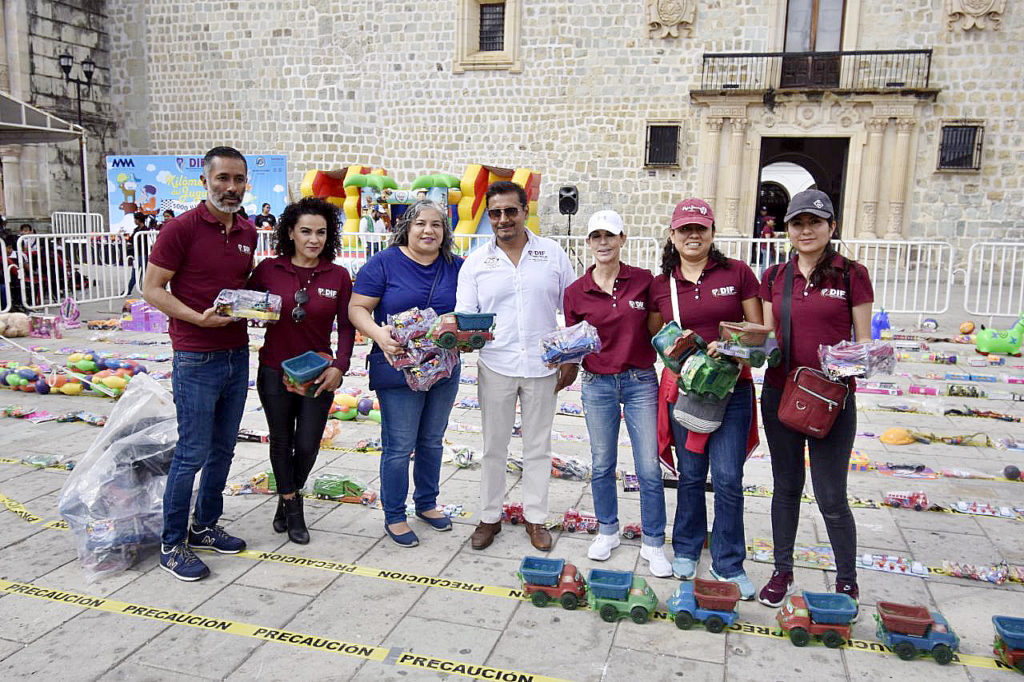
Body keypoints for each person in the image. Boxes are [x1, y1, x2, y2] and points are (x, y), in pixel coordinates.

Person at [143, 146, 258, 582]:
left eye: (238, 180)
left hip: (236, 352)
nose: (230, 188)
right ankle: (172, 545)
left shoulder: (247, 230)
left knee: (223, 449)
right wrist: (197, 318)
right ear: (205, 180)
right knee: (191, 453)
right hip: (194, 354)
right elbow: (152, 288)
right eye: (222, 179)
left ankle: (205, 525)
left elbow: (239, 286)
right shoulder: (181, 228)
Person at [756, 189, 873, 610]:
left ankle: (846, 580)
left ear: (831, 227)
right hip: (781, 396)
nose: (806, 231)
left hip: (831, 402)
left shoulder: (850, 275)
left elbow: (863, 344)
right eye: (797, 223)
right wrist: (740, 346)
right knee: (786, 488)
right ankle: (781, 571)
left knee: (830, 495)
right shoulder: (774, 277)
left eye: (815, 223)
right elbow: (768, 338)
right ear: (787, 230)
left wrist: (847, 363)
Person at [647, 198, 762, 598]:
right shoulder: (661, 285)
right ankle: (686, 547)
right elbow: (655, 336)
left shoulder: (738, 273)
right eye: (685, 229)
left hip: (733, 390)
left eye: (700, 228)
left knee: (729, 478)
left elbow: (757, 331)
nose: (693, 236)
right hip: (686, 392)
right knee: (691, 475)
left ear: (712, 233)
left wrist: (726, 345)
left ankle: (729, 561)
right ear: (673, 235)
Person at [456, 181, 576, 552]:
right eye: (495, 213)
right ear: (489, 217)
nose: (503, 219)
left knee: (538, 447)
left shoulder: (553, 254)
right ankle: (489, 517)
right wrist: (461, 336)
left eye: (511, 211)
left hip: (543, 367)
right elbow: (466, 316)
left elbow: (571, 310)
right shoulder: (476, 262)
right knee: (494, 446)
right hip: (497, 366)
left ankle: (536, 519)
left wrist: (571, 358)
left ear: (525, 211)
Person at [563, 210, 672, 577]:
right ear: (589, 243)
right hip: (597, 383)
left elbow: (660, 325)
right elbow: (574, 342)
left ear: (623, 239)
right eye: (596, 236)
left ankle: (654, 541)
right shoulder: (575, 292)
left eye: (610, 235)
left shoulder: (644, 281)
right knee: (603, 462)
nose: (603, 242)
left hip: (640, 380)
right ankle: (607, 530)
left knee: (647, 467)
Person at [349, 200, 463, 547]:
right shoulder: (384, 263)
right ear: (406, 228)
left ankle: (426, 503)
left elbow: (471, 311)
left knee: (431, 440)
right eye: (420, 224)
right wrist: (380, 335)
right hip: (399, 369)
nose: (428, 231)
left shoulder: (457, 266)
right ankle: (395, 514)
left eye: (437, 225)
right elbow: (357, 308)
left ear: (445, 233)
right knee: (399, 446)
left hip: (444, 368)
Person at [248, 197, 354, 544]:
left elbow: (348, 326)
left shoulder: (337, 275)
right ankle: (293, 507)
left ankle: (285, 497)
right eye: (306, 231)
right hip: (274, 370)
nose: (314, 239)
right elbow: (243, 305)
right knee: (281, 440)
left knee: (307, 443)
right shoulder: (268, 270)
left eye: (321, 232)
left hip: (318, 375)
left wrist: (340, 365)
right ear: (290, 232)